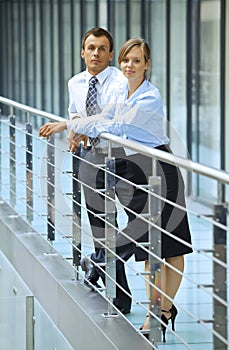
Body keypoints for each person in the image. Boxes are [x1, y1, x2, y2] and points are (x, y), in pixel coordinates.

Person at [39, 37, 193, 341]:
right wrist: (80, 123)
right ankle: (155, 309)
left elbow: (116, 126)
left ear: (147, 65)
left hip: (161, 172)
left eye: (137, 61)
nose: (130, 66)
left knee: (172, 247)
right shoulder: (121, 89)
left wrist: (69, 125)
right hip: (136, 172)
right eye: (126, 60)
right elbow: (106, 119)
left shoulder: (150, 97)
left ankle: (161, 312)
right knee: (150, 246)